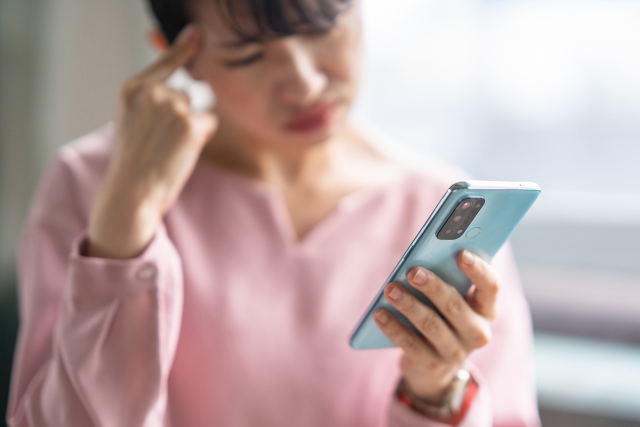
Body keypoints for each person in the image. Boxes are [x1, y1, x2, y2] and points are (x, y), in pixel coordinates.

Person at [7, 0, 540, 426]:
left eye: (321, 26)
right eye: (248, 56)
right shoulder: (94, 185)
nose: (304, 83)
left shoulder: (437, 205)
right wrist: (125, 223)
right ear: (179, 57)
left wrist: (437, 393)